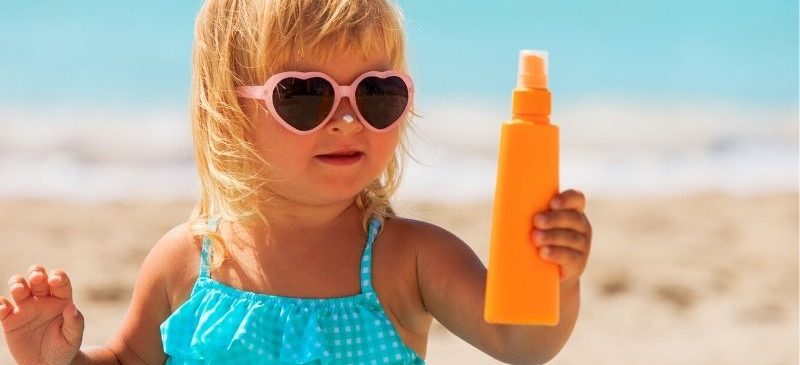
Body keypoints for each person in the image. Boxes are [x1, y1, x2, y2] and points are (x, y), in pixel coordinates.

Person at [0, 0, 593, 364]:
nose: (346, 119)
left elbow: (522, 345)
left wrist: (557, 282)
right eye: (305, 95)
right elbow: (129, 361)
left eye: (375, 93)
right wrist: (57, 359)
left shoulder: (408, 258)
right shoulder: (189, 260)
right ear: (230, 111)